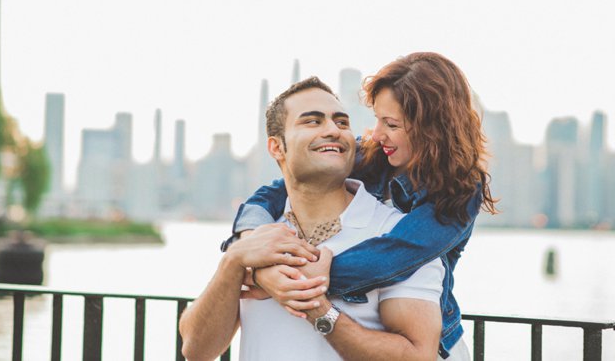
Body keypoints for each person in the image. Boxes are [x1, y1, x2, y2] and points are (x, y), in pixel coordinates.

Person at [228, 52, 497, 359]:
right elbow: (272, 193)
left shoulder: (460, 189)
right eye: (378, 119)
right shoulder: (374, 155)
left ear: (431, 129)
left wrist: (282, 279)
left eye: (391, 124)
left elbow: (392, 257)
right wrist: (249, 244)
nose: (378, 133)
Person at [180, 77, 444, 361]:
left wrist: (316, 306)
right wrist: (232, 262)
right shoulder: (257, 236)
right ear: (276, 148)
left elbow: (419, 357)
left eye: (342, 122)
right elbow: (196, 350)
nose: (333, 130)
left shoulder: (396, 235)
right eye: (313, 121)